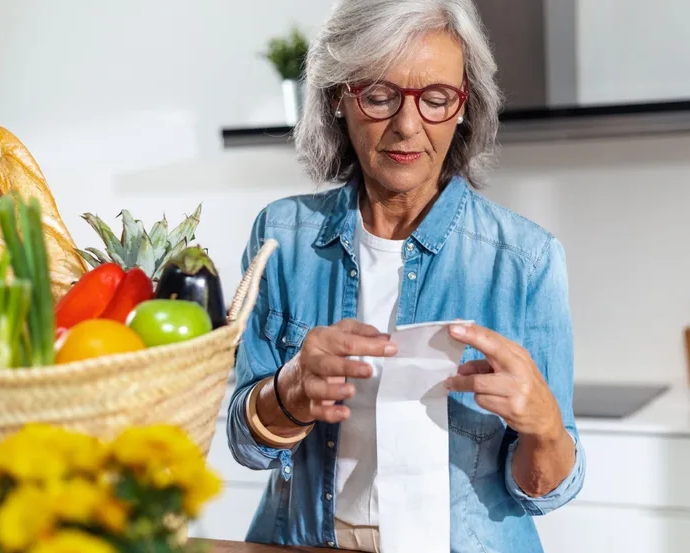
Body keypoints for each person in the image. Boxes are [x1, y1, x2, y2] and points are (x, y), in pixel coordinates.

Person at [226, 0, 586, 551]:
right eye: (378, 94)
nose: (407, 125)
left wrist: (545, 428)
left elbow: (545, 489)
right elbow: (245, 444)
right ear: (337, 101)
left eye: (436, 98)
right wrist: (291, 389)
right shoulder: (283, 236)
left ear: (465, 108)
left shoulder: (526, 259)